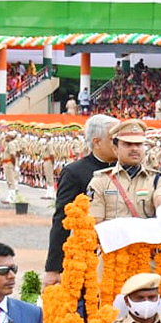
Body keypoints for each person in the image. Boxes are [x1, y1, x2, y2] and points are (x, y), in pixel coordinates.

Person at [44, 114, 118, 286]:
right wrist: (53, 268)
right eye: (114, 139)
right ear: (97, 142)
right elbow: (62, 219)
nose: (119, 144)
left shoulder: (127, 169)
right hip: (90, 256)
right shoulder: (75, 172)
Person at [85, 120, 161, 223]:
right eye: (128, 144)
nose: (134, 149)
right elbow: (95, 221)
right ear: (115, 148)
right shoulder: (101, 181)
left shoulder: (157, 180)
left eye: (139, 144)